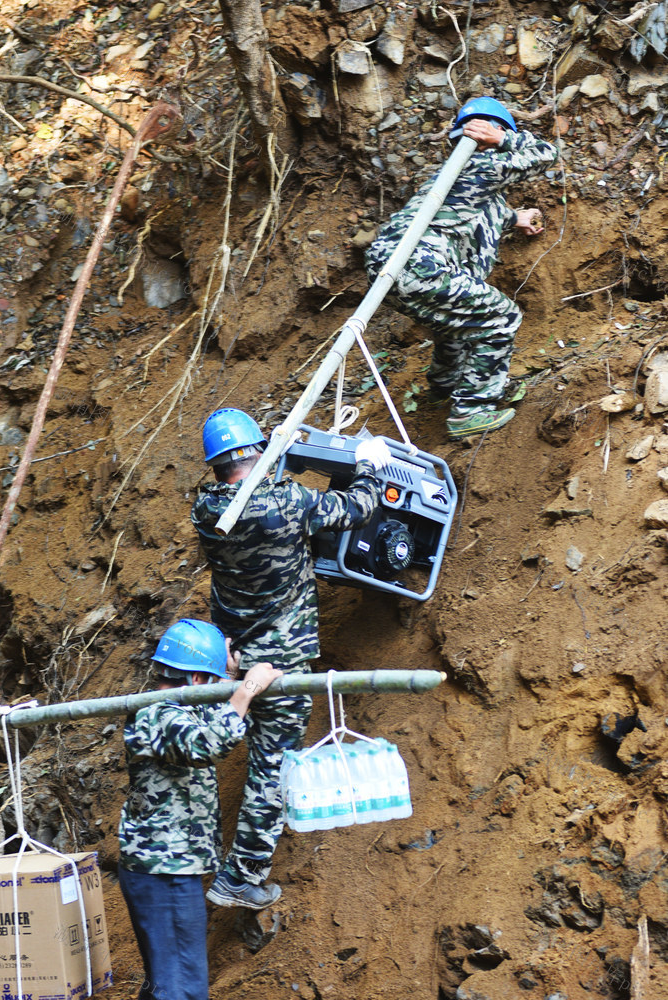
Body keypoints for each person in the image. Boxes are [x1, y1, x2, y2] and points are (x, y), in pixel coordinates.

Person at [190, 407, 392, 908]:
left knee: (248, 756)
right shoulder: (285, 501)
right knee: (272, 767)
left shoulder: (207, 509)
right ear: (255, 453)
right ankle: (242, 874)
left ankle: (222, 862)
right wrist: (369, 464)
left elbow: (256, 499)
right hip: (279, 663)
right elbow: (357, 508)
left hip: (237, 655)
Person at [365, 96, 558, 440]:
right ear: (489, 135)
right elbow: (546, 153)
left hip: (387, 265)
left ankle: (443, 388)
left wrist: (519, 218)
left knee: (456, 324)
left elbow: (485, 213)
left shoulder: (455, 177)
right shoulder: (483, 163)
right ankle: (472, 408)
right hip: (420, 263)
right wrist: (503, 139)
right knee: (502, 317)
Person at [118, 617, 282, 1000]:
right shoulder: (157, 713)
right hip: (164, 871)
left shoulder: (174, 709)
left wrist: (226, 676)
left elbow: (204, 716)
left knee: (165, 979)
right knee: (181, 987)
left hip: (162, 868)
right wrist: (247, 691)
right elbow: (204, 742)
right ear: (194, 680)